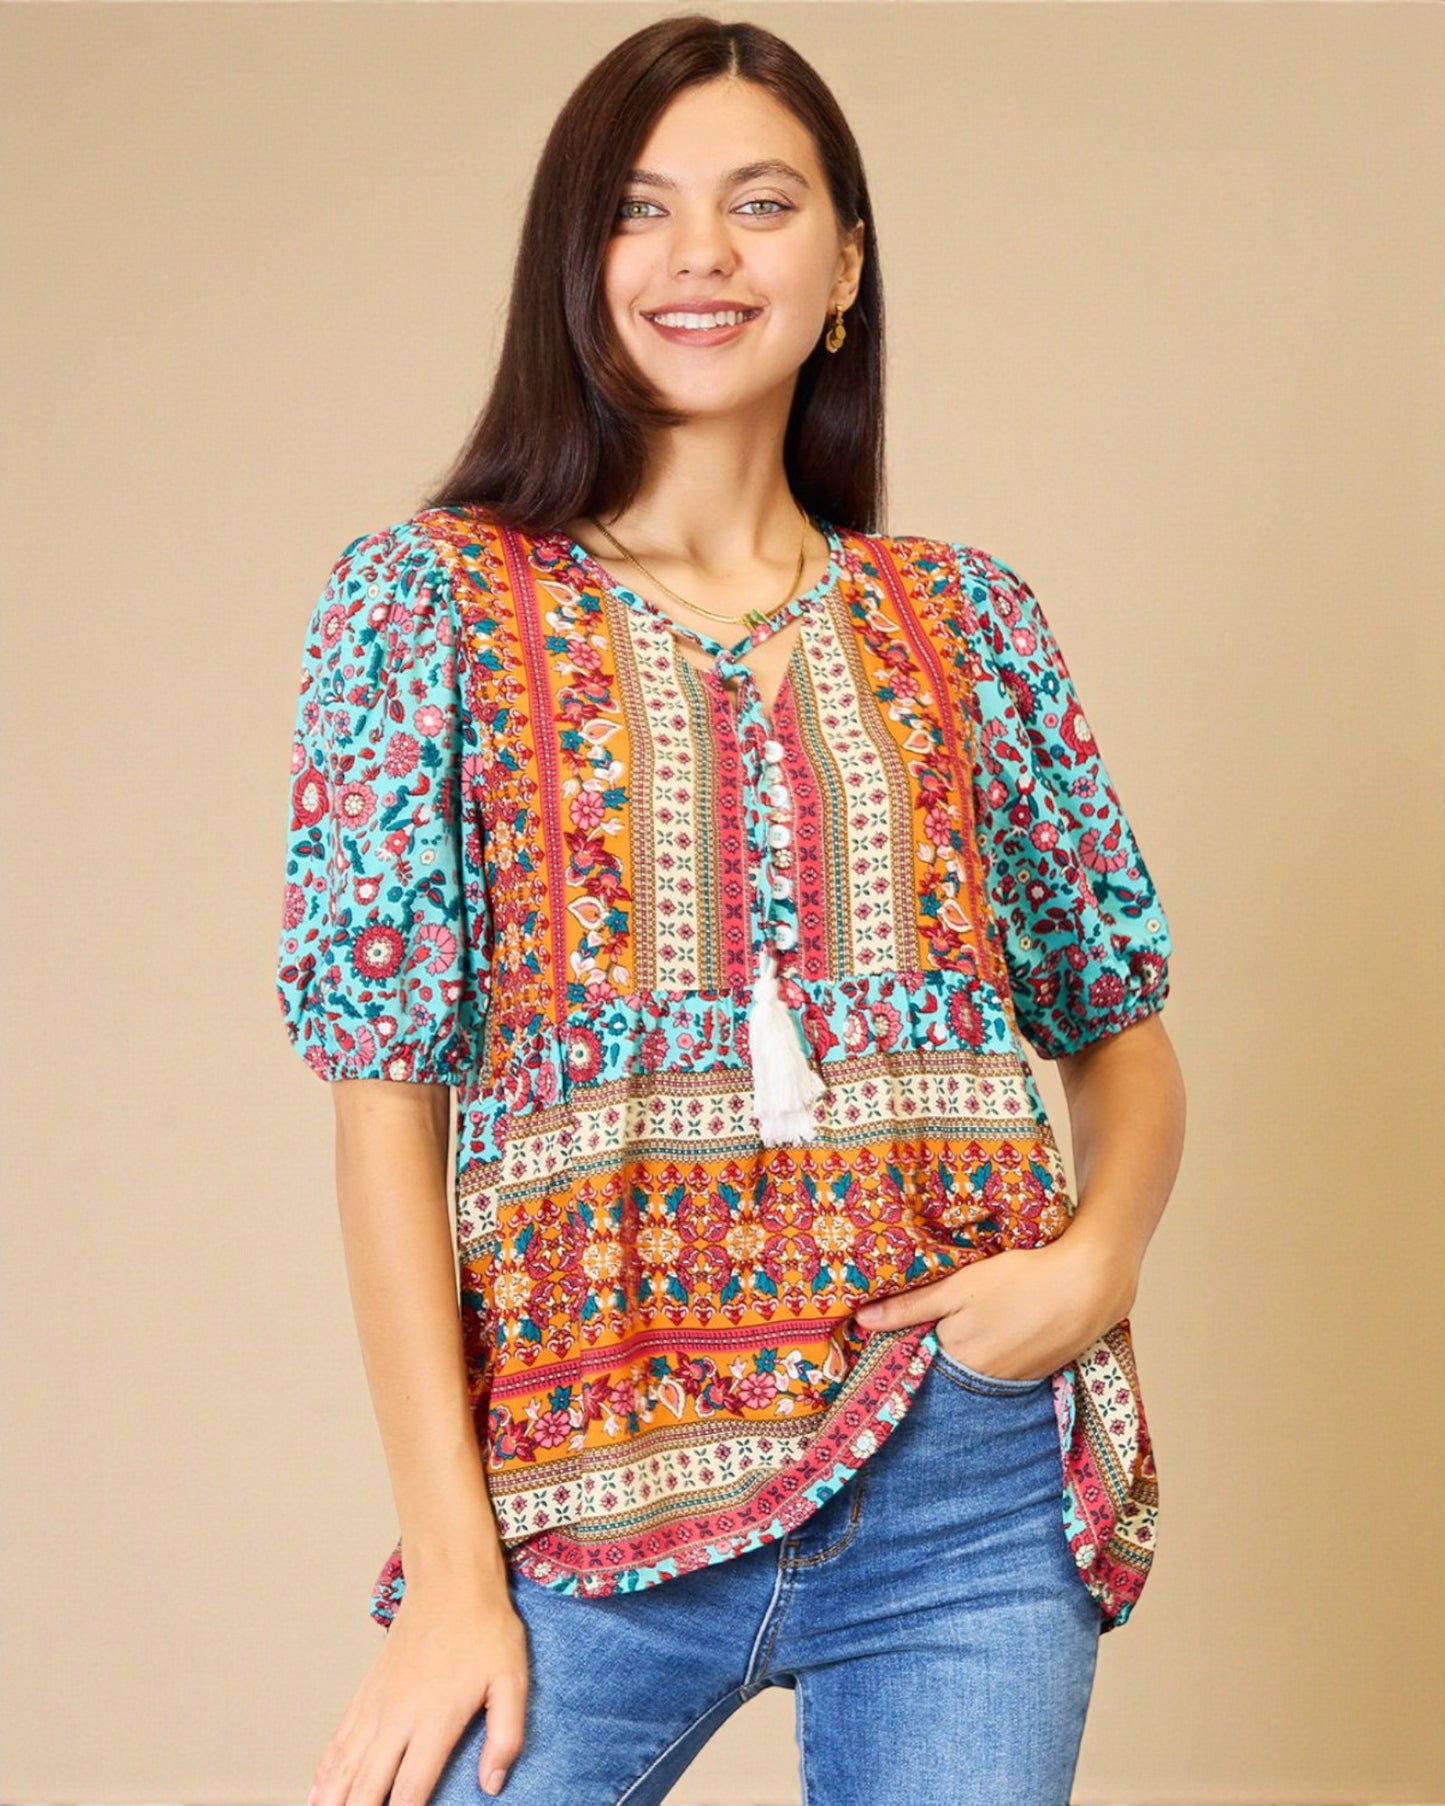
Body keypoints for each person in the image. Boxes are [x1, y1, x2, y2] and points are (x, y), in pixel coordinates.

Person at [275, 15, 1187, 1806]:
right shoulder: (425, 606)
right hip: (585, 1484)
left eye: (759, 205)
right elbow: (381, 1108)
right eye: (639, 209)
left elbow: (1125, 1033)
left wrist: (1090, 1265)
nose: (699, 254)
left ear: (843, 265)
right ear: (576, 265)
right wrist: (455, 1575)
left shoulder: (963, 617)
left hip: (963, 1495)